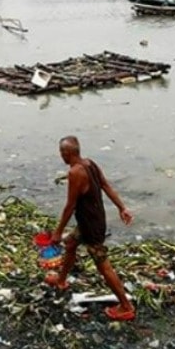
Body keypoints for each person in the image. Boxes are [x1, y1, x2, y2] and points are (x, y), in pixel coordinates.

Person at [45, 135, 136, 322]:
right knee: (70, 244)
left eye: (61, 152)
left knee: (103, 265)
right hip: (90, 220)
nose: (61, 156)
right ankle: (61, 281)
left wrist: (57, 232)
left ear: (67, 153)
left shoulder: (75, 173)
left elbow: (70, 206)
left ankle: (126, 306)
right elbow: (105, 185)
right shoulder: (90, 164)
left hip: (91, 226)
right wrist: (122, 207)